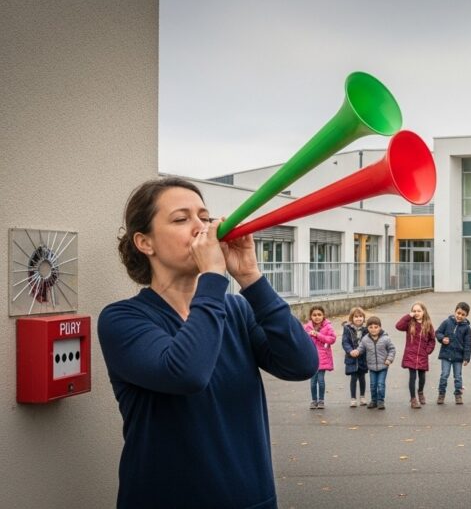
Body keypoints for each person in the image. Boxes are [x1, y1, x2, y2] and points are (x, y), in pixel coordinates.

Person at [98, 177, 318, 509]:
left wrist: (250, 278)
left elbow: (301, 364)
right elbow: (187, 373)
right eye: (181, 219)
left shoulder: (236, 308)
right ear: (145, 242)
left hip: (252, 500)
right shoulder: (123, 319)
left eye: (204, 216)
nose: (202, 228)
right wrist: (213, 277)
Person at [396, 302, 436, 409]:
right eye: (414, 311)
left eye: (419, 311)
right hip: (411, 355)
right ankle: (413, 399)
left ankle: (420, 392)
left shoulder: (428, 325)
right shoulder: (410, 323)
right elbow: (398, 326)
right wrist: (409, 316)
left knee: (422, 377)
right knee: (412, 377)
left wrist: (428, 350)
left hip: (422, 355)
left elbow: (432, 340)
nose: (416, 313)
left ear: (424, 312)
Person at [353, 316, 395, 409]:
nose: (373, 329)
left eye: (376, 327)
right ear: (367, 328)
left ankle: (380, 401)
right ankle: (373, 400)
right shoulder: (365, 339)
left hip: (383, 366)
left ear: (380, 327)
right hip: (371, 366)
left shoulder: (385, 338)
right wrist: (357, 351)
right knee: (373, 385)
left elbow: (392, 349)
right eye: (370, 327)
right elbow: (361, 348)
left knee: (380, 384)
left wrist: (389, 359)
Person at [435, 301, 471, 405]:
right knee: (444, 375)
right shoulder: (447, 322)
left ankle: (458, 394)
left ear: (466, 315)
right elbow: (438, 332)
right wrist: (442, 339)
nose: (460, 316)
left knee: (458, 376)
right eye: (458, 313)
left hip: (458, 357)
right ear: (455, 311)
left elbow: (468, 344)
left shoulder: (467, 328)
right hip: (446, 355)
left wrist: (466, 358)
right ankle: (441, 394)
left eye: (463, 314)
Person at [304, 305, 336, 409]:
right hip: (311, 357)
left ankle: (321, 400)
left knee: (321, 380)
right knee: (313, 381)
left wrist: (318, 335)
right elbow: (302, 340)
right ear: (310, 316)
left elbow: (332, 339)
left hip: (323, 358)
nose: (317, 317)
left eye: (319, 315)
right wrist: (310, 335)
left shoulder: (328, 327)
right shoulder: (306, 328)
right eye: (314, 315)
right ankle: (314, 400)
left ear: (323, 316)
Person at [341, 306, 369, 407]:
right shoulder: (347, 329)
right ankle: (353, 398)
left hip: (362, 357)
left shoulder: (367, 329)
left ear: (364, 318)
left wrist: (361, 351)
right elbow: (345, 342)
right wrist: (350, 351)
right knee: (353, 378)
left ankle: (362, 396)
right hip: (351, 357)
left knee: (362, 377)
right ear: (351, 318)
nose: (358, 318)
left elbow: (368, 342)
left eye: (360, 316)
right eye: (356, 316)